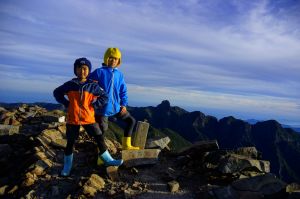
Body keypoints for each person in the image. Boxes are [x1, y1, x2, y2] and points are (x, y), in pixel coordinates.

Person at [53, 57, 123, 177]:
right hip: (73, 118)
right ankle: (67, 166)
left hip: (89, 118)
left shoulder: (92, 85)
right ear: (75, 70)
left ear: (88, 70)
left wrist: (94, 106)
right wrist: (66, 103)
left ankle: (108, 160)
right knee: (70, 142)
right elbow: (56, 92)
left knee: (99, 137)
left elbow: (104, 97)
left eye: (85, 68)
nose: (82, 71)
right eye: (79, 68)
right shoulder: (70, 84)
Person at [89, 48, 139, 153]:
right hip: (102, 108)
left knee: (131, 121)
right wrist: (94, 99)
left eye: (116, 59)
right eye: (111, 58)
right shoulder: (99, 72)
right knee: (102, 131)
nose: (113, 61)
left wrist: (123, 104)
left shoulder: (119, 74)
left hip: (116, 107)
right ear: (106, 58)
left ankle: (126, 146)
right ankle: (101, 155)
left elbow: (123, 90)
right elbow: (89, 85)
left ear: (119, 61)